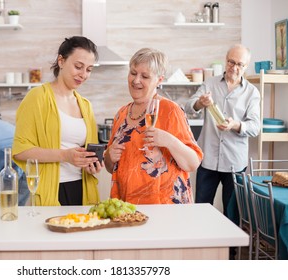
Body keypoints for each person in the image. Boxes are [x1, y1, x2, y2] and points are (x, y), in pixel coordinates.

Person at [104, 48, 203, 205]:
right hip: (127, 207)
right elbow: (111, 167)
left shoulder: (171, 110)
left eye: (145, 76)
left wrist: (169, 141)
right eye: (133, 73)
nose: (136, 80)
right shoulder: (121, 114)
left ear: (159, 80)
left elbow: (192, 163)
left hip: (164, 209)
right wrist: (109, 156)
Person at [12, 36, 103, 206]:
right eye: (78, 67)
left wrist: (92, 164)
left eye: (89, 69)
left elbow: (89, 152)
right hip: (51, 190)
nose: (83, 75)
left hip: (82, 190)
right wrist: (65, 155)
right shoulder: (37, 97)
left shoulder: (85, 105)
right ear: (61, 61)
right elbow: (20, 150)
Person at [184, 44, 261, 217]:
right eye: (231, 62)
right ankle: (203, 244)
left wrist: (235, 125)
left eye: (240, 64)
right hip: (208, 159)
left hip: (235, 163)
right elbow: (189, 107)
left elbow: (255, 126)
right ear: (226, 61)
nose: (234, 67)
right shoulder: (209, 83)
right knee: (201, 211)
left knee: (232, 213)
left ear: (246, 66)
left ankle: (231, 246)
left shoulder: (252, 93)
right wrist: (200, 103)